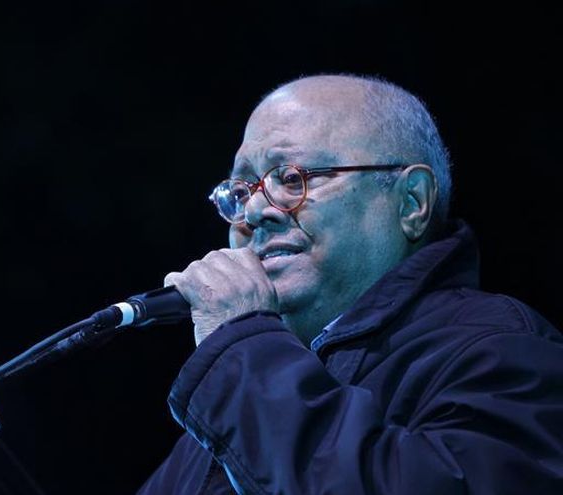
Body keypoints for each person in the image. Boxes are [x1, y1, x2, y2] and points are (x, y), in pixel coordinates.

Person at [137, 74, 563, 494]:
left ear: (412, 202)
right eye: (242, 190)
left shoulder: (503, 353)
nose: (252, 212)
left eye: (291, 179)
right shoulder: (223, 416)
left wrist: (241, 347)